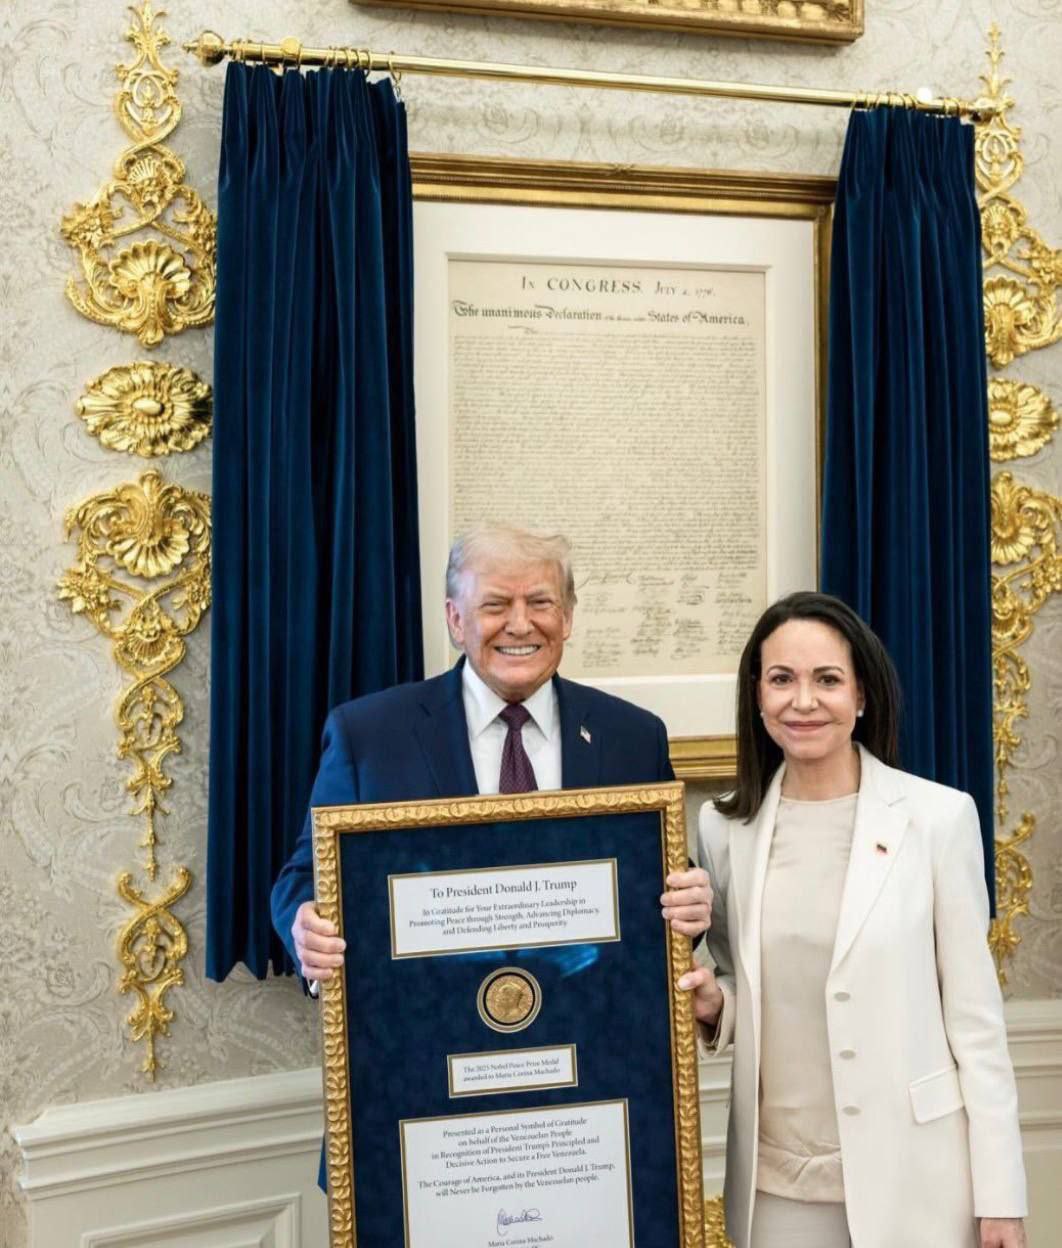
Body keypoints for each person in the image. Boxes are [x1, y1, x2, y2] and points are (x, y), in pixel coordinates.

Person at [679, 591, 1027, 1248]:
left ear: (861, 695)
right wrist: (715, 1005)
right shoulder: (723, 829)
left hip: (917, 1179)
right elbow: (746, 982)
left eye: (827, 680)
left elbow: (977, 1024)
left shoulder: (938, 819)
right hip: (776, 1187)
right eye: (782, 679)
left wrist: (1001, 1199)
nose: (803, 701)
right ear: (757, 696)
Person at [271, 523, 711, 988]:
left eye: (540, 603)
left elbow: (660, 882)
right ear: (456, 620)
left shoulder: (633, 737)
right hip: (427, 1015)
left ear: (567, 617)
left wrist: (691, 905)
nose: (520, 624)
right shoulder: (368, 737)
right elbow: (306, 876)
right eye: (495, 605)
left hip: (591, 1012)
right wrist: (307, 928)